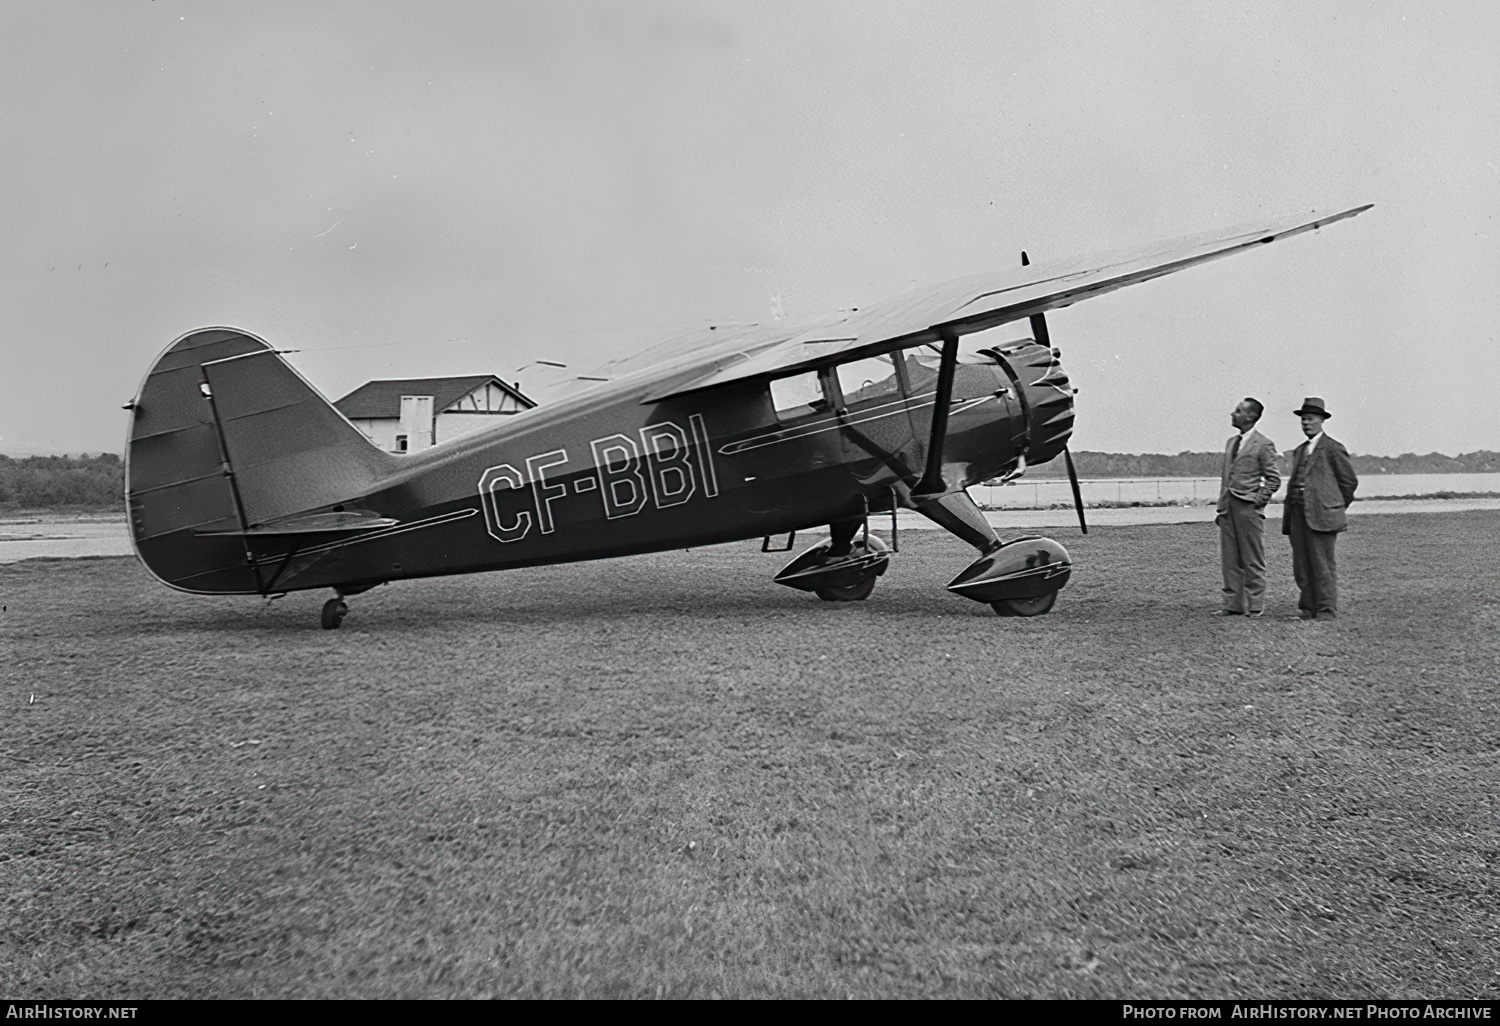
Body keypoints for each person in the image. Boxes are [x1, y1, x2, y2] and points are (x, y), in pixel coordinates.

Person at [1282, 397, 1358, 620]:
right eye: (1303, 420)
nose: (1306, 424)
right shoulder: (1299, 450)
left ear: (1322, 421)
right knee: (1301, 565)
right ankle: (1307, 609)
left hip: (1321, 516)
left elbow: (1349, 483)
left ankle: (1326, 610)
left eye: (1311, 419)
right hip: (1297, 514)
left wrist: (1331, 507)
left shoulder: (1333, 448)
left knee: (1322, 564)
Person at [1214, 398, 1281, 616]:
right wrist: (1223, 507)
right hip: (1228, 508)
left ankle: (1255, 605)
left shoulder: (1264, 444)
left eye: (1238, 411)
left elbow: (1273, 480)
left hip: (1248, 508)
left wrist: (1256, 502)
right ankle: (1233, 605)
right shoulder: (1231, 442)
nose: (1232, 414)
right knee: (1230, 559)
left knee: (1252, 558)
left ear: (1251, 416)